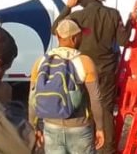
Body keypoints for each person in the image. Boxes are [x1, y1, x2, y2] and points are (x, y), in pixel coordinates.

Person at [57, 0, 129, 153]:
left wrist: (68, 8)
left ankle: (85, 146)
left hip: (82, 68)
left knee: (81, 107)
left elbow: (56, 30)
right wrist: (131, 23)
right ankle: (108, 149)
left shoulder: (76, 16)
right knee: (105, 109)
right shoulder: (113, 14)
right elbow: (123, 41)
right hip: (106, 69)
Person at [29, 19, 105, 154]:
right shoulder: (84, 62)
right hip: (80, 128)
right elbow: (95, 100)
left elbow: (32, 99)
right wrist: (100, 128)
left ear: (58, 36)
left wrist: (34, 127)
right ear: (75, 38)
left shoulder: (40, 62)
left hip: (51, 127)